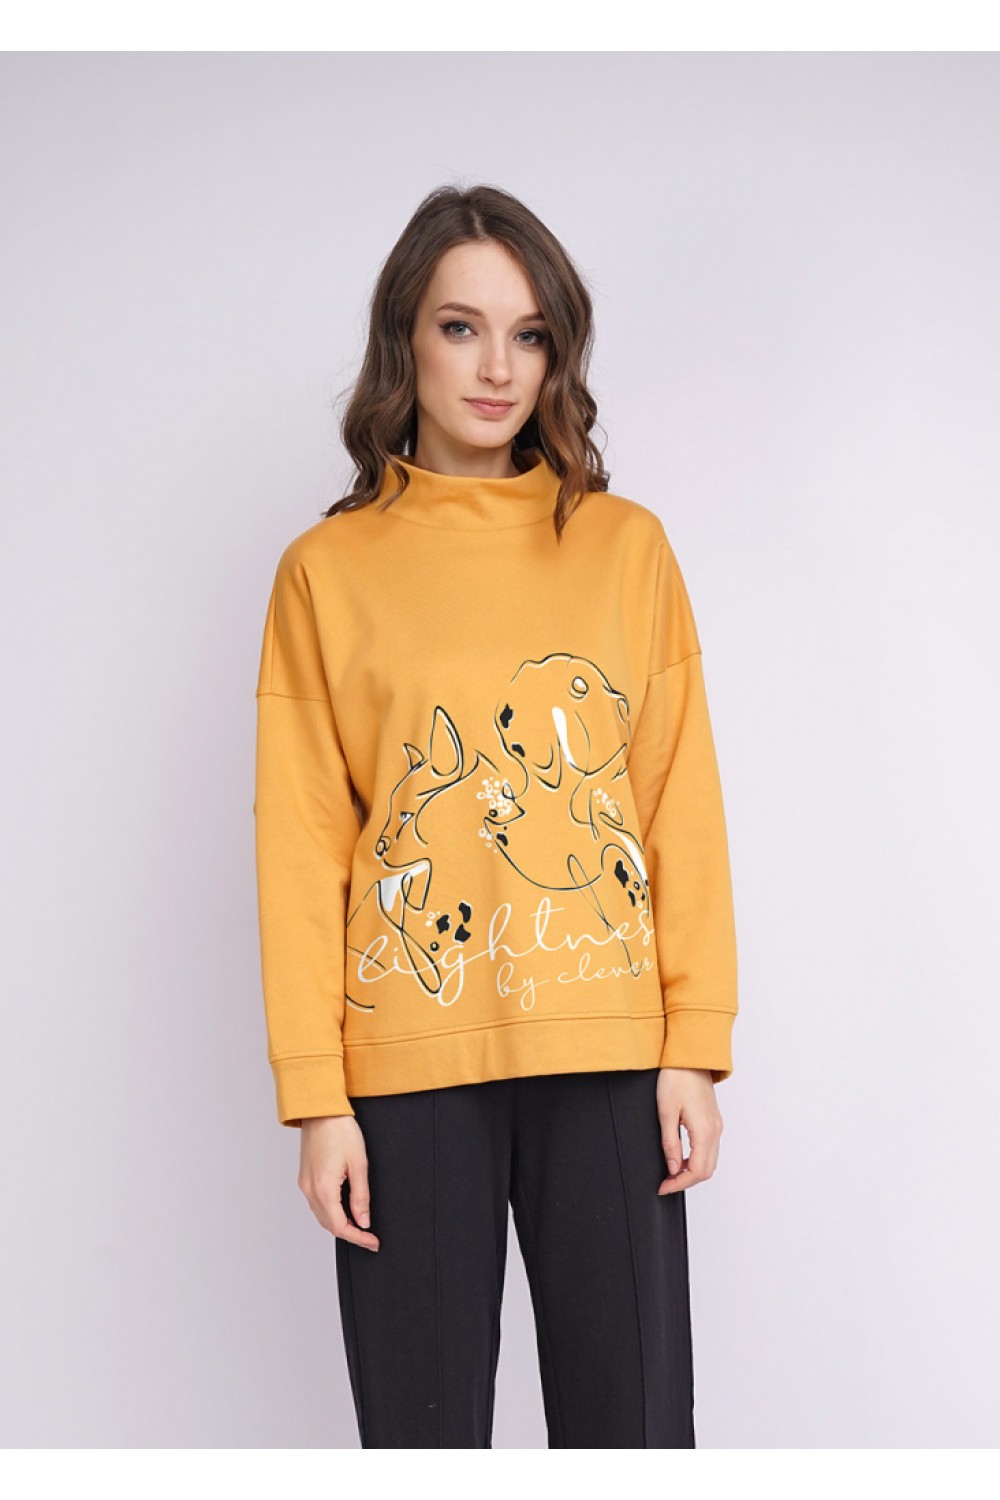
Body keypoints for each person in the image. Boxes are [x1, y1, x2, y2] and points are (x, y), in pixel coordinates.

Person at [252, 182, 739, 1449]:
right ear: (404, 339)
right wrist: (317, 1099)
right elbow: (301, 846)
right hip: (406, 1069)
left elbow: (677, 801)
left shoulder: (627, 550)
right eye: (461, 327)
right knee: (422, 1446)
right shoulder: (326, 572)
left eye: (529, 335)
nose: (496, 367)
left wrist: (693, 1044)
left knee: (632, 1437)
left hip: (609, 1058)